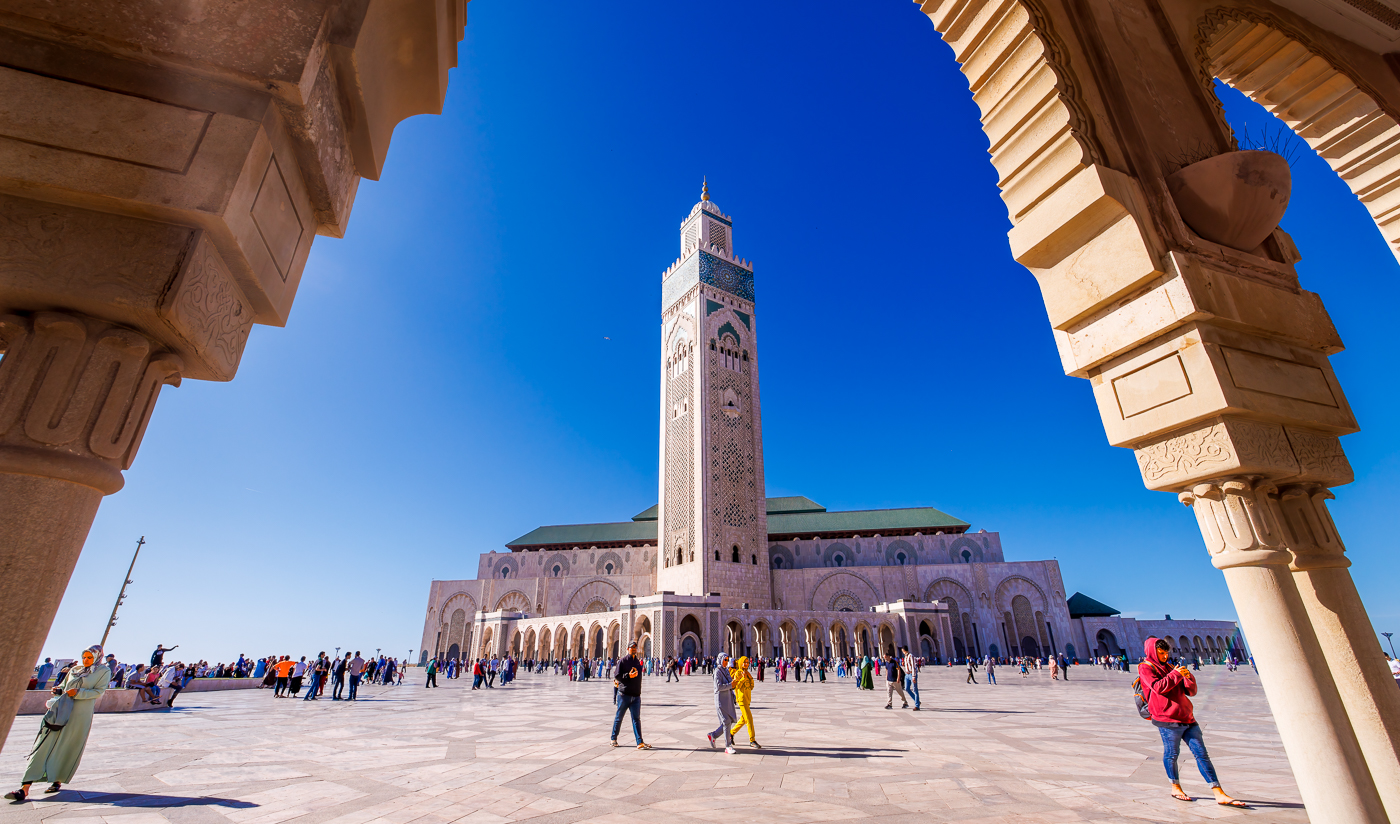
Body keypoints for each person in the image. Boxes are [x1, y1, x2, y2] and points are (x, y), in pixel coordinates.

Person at [1138, 637, 1246, 808]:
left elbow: (1191, 692)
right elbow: (1158, 687)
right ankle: (1175, 787)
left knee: (1202, 754)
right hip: (1167, 719)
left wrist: (1188, 678)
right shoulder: (1145, 668)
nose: (1165, 656)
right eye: (1161, 653)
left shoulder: (1169, 667)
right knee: (1172, 754)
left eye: (1166, 653)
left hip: (1187, 717)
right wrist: (1176, 674)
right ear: (1152, 651)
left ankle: (1218, 792)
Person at [6, 645, 111, 801]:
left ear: (97, 657)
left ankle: (57, 779)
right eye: (84, 657)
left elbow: (99, 691)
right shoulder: (75, 669)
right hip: (61, 710)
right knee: (43, 743)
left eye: (90, 658)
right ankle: (24, 787)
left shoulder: (103, 671)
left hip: (80, 715)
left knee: (67, 745)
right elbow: (64, 686)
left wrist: (79, 692)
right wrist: (58, 690)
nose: (86, 660)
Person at [610, 641, 650, 749]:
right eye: (631, 647)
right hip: (624, 695)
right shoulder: (622, 661)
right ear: (627, 649)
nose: (633, 649)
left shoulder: (637, 662)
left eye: (635, 648)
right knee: (619, 717)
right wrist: (628, 676)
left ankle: (639, 742)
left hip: (636, 696)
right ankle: (613, 739)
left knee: (636, 719)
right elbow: (617, 676)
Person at [706, 652, 738, 755]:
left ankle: (713, 735)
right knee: (726, 721)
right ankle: (728, 746)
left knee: (727, 722)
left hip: (727, 700)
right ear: (720, 660)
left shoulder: (726, 671)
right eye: (725, 660)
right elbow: (718, 687)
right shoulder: (717, 672)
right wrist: (730, 685)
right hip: (720, 700)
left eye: (727, 660)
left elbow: (730, 684)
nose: (727, 662)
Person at [728, 656, 760, 748]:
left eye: (747, 662)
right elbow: (736, 686)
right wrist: (743, 678)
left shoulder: (747, 673)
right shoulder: (738, 673)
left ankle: (731, 733)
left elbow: (751, 686)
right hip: (741, 700)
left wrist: (749, 678)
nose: (746, 664)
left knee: (743, 719)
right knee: (749, 719)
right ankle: (752, 740)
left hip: (747, 698)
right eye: (744, 662)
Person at [899, 646, 921, 711]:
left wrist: (914, 677)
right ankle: (917, 700)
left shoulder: (911, 656)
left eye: (903, 651)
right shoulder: (905, 657)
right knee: (906, 688)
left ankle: (917, 705)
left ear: (904, 650)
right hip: (907, 675)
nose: (902, 652)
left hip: (912, 674)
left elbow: (914, 666)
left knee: (915, 689)